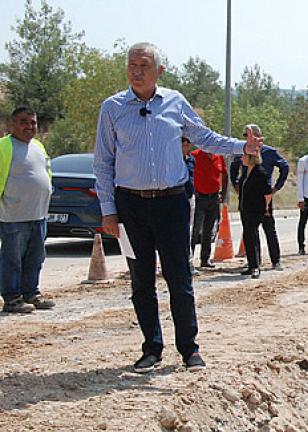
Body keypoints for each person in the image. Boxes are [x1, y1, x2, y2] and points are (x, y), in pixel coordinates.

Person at [93, 42, 263, 373]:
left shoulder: (174, 103)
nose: (137, 71)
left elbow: (206, 138)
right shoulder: (112, 108)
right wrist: (108, 210)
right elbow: (103, 163)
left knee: (179, 277)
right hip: (130, 205)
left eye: (143, 65)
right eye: (131, 65)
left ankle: (189, 349)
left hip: (171, 203)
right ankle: (152, 348)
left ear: (160, 70)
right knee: (141, 281)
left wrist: (241, 146)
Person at [0, 106, 56, 314]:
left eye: (33, 122)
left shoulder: (38, 147)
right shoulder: (4, 147)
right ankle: (12, 298)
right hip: (13, 217)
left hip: (38, 215)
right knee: (12, 259)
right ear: (12, 125)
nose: (29, 126)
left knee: (36, 257)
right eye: (23, 122)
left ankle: (31, 293)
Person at [230, 124, 288, 271]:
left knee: (269, 228)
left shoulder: (269, 152)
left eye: (248, 135)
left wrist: (277, 186)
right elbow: (234, 165)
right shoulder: (243, 150)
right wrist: (235, 182)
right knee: (250, 231)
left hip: (263, 195)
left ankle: (276, 260)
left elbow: (284, 166)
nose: (246, 138)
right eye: (245, 135)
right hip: (247, 195)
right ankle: (254, 262)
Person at [190, 144, 227, 269]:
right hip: (200, 197)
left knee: (209, 230)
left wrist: (224, 193)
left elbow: (225, 175)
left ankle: (205, 259)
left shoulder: (219, 156)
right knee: (195, 230)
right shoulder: (195, 156)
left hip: (214, 198)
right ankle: (189, 260)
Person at [237, 152, 272, 279]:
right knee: (248, 236)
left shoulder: (261, 173)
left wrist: (266, 207)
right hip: (245, 209)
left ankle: (256, 266)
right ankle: (252, 265)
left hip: (255, 209)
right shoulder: (246, 172)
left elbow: (267, 193)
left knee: (252, 236)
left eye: (245, 156)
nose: (242, 158)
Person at [181, 137, 198, 276]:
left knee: (189, 231)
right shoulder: (173, 159)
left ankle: (189, 262)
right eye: (183, 142)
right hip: (175, 198)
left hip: (189, 197)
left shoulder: (192, 160)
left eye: (188, 142)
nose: (186, 144)